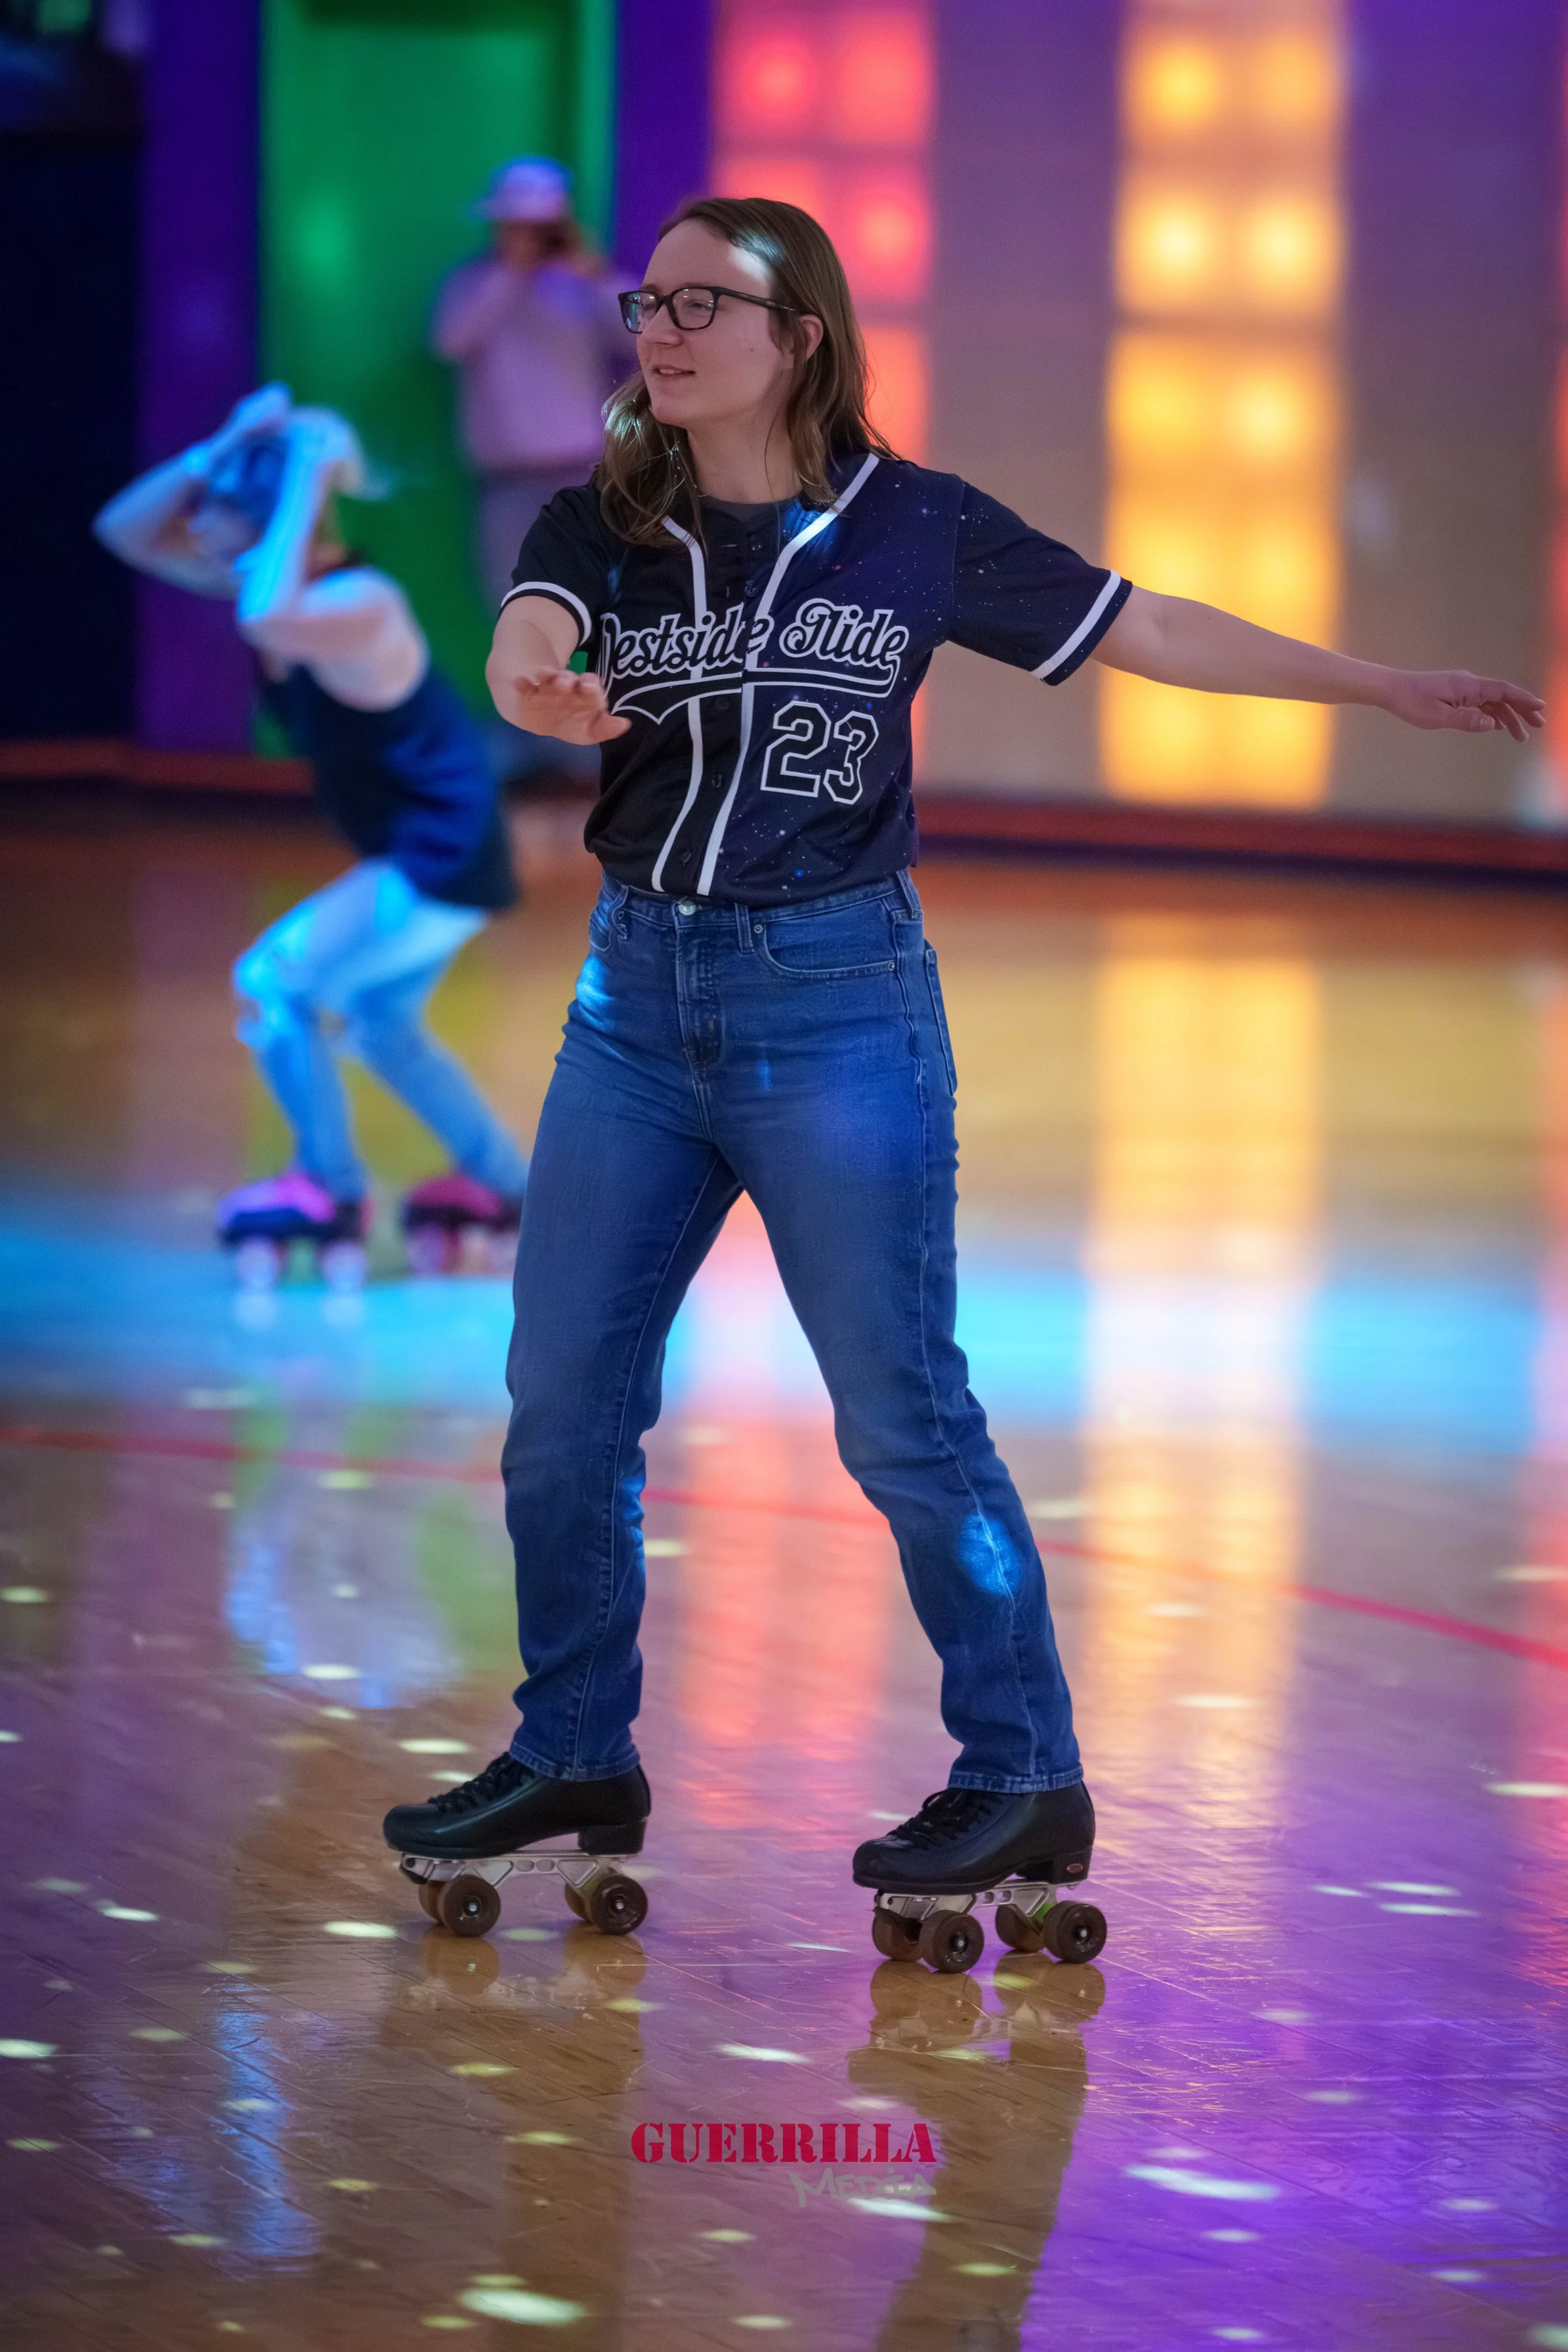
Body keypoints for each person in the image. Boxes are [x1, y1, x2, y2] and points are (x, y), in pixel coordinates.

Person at [383, 198, 1542, 1915]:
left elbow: (1141, 624)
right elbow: (526, 631)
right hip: (631, 1006)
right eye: (654, 298)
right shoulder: (600, 516)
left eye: (713, 300)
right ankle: (574, 1742)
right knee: (561, 1411)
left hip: (834, 1004)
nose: (667, 325)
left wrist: (1379, 685)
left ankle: (1019, 1770)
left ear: (802, 337)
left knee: (902, 1418)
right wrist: (535, 677)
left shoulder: (911, 526)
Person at [94, 384, 531, 1286]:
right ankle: (505, 1183)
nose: (193, 532)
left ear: (257, 525)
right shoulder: (274, 582)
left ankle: (328, 1189)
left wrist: (305, 468)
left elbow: (263, 612)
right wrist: (218, 444)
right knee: (380, 1022)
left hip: (436, 856)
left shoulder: (360, 601)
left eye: (211, 518)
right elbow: (123, 531)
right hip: (440, 855)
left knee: (272, 983)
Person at [432, 156, 626, 788]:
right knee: (512, 611)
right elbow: (450, 341)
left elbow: (643, 335)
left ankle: (588, 746)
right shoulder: (475, 286)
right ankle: (522, 744)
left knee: (593, 612)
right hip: (507, 478)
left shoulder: (581, 287)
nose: (522, 236)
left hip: (578, 474)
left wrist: (589, 269)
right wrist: (510, 273)